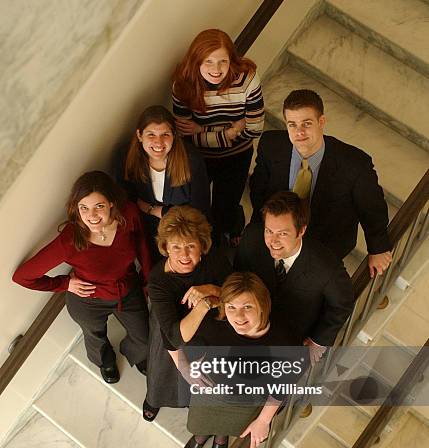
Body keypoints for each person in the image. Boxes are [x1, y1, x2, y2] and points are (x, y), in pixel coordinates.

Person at [12, 171, 151, 383]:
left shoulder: (128, 214)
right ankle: (105, 361)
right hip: (88, 301)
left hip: (127, 289)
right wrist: (64, 283)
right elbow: (23, 276)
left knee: (143, 338)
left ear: (112, 204)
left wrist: (147, 279)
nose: (92, 216)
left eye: (99, 206)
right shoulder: (70, 239)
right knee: (95, 336)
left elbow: (141, 242)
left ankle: (137, 355)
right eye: (83, 208)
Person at [249, 89, 392, 277]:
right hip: (276, 236)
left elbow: (372, 209)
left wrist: (378, 248)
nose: (299, 132)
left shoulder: (354, 164)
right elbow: (258, 190)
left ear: (321, 122)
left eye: (306, 124)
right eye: (292, 124)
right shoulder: (271, 145)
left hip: (324, 243)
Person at [180, 272, 303, 448]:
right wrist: (188, 366)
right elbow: (178, 340)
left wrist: (263, 421)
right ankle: (200, 437)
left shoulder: (285, 340)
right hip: (210, 390)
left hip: (248, 400)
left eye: (247, 307)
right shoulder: (215, 321)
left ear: (262, 306)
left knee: (229, 427)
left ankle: (221, 439)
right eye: (231, 307)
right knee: (201, 422)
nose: (238, 317)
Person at [236, 191, 354, 364]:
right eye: (269, 231)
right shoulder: (252, 238)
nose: (273, 241)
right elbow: (238, 275)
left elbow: (342, 303)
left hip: (292, 339)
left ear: (301, 230)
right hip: (250, 327)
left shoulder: (327, 267)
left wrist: (318, 340)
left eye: (282, 234)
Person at [173, 28, 265, 245]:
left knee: (227, 206)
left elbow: (254, 129)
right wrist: (230, 132)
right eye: (208, 62)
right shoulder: (183, 83)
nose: (216, 70)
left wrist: (202, 131)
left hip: (237, 156)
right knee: (198, 208)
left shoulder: (247, 79)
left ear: (231, 60)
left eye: (222, 61)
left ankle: (232, 230)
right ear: (196, 61)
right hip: (199, 158)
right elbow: (185, 136)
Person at [145, 205, 231, 421]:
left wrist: (210, 290)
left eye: (191, 246)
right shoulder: (158, 280)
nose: (184, 255)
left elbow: (234, 296)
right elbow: (174, 337)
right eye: (176, 247)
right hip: (172, 332)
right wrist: (204, 305)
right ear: (165, 246)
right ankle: (154, 399)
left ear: (202, 245)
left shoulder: (216, 259)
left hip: (209, 325)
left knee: (203, 373)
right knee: (166, 371)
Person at [116, 105, 211, 261]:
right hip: (145, 229)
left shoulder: (191, 160)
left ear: (174, 135)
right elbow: (125, 199)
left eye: (165, 134)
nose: (158, 142)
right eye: (151, 134)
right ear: (140, 135)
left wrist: (156, 210)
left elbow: (199, 210)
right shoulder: (126, 156)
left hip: (184, 232)